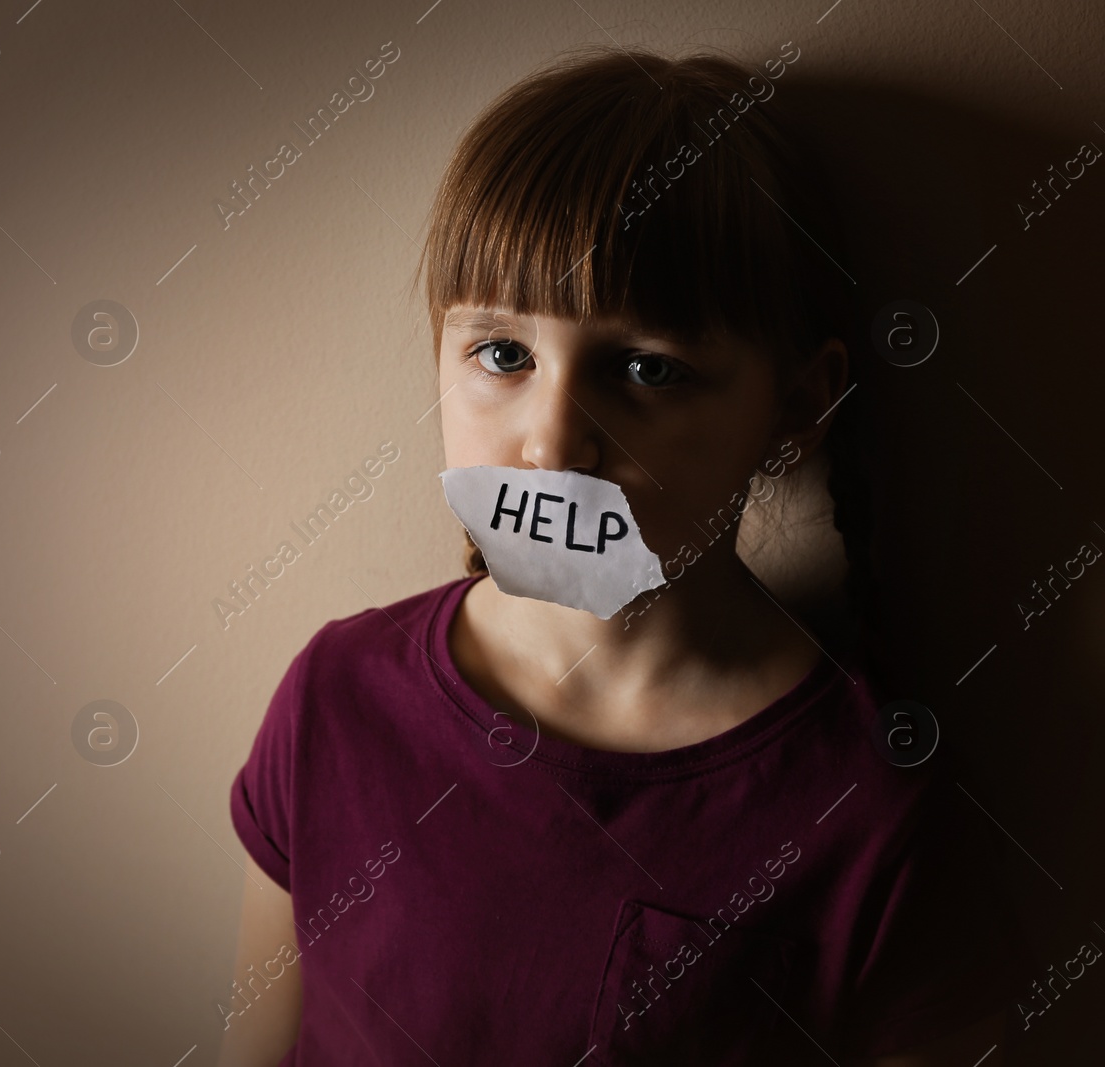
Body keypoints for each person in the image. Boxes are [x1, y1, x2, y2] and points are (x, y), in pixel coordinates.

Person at [220, 44, 1031, 1066]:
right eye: (502, 354)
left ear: (795, 406)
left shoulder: (874, 813)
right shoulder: (331, 698)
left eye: (647, 367)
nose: (551, 444)